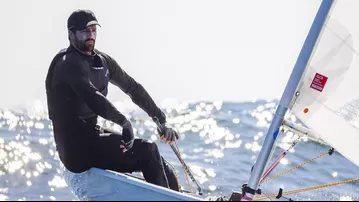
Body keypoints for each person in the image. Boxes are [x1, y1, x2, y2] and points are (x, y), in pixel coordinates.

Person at [45, 9, 180, 191]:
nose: (91, 35)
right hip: (75, 150)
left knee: (157, 160)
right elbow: (92, 96)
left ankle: (177, 197)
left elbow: (133, 88)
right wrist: (123, 122)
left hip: (92, 136)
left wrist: (160, 120)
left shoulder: (102, 61)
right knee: (147, 150)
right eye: (85, 31)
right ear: (71, 34)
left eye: (93, 30)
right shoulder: (67, 63)